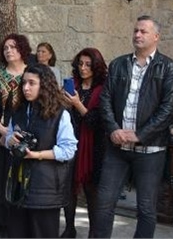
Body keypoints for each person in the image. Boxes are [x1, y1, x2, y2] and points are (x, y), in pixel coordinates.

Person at [91, 15, 173, 238]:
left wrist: (140, 135)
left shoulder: (168, 67)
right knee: (103, 203)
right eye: (135, 31)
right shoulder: (119, 64)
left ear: (156, 37)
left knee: (146, 208)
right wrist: (113, 129)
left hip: (150, 151)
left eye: (143, 31)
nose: (137, 35)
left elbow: (168, 109)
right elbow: (105, 100)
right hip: (117, 148)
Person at [4, 63, 78, 238]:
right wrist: (11, 139)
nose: (26, 88)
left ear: (44, 85)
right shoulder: (19, 111)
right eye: (24, 83)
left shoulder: (60, 114)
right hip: (19, 185)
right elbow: (7, 140)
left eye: (32, 83)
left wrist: (37, 155)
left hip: (46, 189)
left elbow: (68, 150)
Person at [0, 33, 31, 234]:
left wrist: (16, 133)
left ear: (22, 49)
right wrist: (2, 130)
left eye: (13, 47)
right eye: (6, 48)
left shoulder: (32, 74)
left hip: (24, 135)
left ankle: (18, 223)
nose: (9, 51)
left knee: (18, 176)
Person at [61, 48, 108, 238]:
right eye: (80, 64)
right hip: (72, 142)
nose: (83, 68)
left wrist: (78, 104)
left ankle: (93, 233)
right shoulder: (75, 86)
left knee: (92, 192)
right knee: (69, 188)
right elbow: (67, 117)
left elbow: (97, 122)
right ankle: (69, 228)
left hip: (95, 147)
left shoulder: (103, 89)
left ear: (96, 67)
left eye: (88, 64)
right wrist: (64, 103)